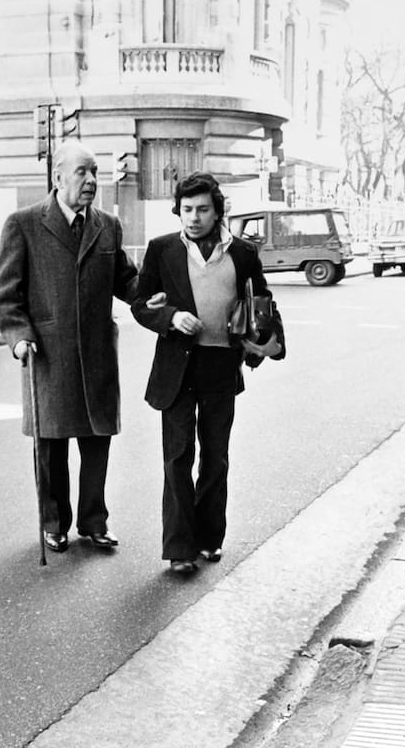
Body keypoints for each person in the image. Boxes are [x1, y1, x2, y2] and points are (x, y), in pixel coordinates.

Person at [131, 172, 285, 575]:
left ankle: (209, 538)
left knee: (215, 458)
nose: (194, 217)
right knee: (178, 457)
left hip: (220, 366)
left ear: (218, 211)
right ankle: (180, 548)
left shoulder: (244, 253)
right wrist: (170, 316)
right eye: (186, 210)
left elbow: (262, 303)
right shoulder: (162, 249)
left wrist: (264, 343)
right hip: (177, 369)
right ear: (178, 212)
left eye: (202, 209)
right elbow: (140, 303)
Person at [0, 141, 139, 554]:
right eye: (82, 172)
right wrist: (18, 335)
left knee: (97, 441)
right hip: (48, 355)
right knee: (51, 446)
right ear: (58, 177)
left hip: (96, 354)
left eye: (94, 172)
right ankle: (53, 522)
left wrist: (152, 296)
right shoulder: (23, 224)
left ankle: (94, 522)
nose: (91, 180)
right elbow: (8, 294)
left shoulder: (107, 225)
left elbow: (126, 281)